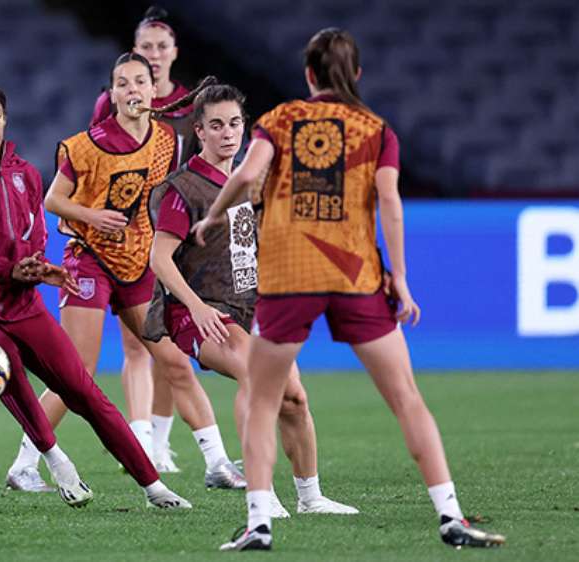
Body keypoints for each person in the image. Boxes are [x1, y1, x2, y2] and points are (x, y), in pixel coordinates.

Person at [194, 30, 506, 551]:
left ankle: (259, 523)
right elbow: (390, 201)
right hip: (355, 276)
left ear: (309, 75)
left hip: (289, 276)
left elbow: (248, 176)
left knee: (264, 400)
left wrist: (212, 214)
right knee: (407, 399)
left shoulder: (281, 119)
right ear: (356, 75)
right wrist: (400, 276)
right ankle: (451, 516)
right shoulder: (377, 130)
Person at [0, 80, 190, 510]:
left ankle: (154, 486)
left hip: (19, 301)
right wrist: (13, 270)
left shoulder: (26, 174)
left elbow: (35, 238)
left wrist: (38, 268)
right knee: (4, 360)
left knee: (84, 391)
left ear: (5, 119)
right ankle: (55, 459)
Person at [5, 55, 245, 492]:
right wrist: (90, 216)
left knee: (174, 362)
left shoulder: (168, 141)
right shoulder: (85, 145)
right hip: (90, 259)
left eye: (141, 81)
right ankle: (24, 464)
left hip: (137, 263)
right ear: (111, 93)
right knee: (76, 371)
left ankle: (217, 462)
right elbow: (53, 201)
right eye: (123, 82)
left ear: (154, 90)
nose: (133, 88)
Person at [145, 83, 360, 519]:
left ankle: (311, 497)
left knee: (294, 399)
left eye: (236, 124)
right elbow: (159, 259)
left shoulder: (250, 180)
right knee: (263, 384)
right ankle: (262, 498)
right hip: (203, 313)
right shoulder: (183, 189)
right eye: (217, 125)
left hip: (252, 309)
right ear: (199, 131)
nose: (229, 133)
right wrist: (196, 308)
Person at [90, 6, 197, 473]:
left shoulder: (194, 107)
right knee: (138, 344)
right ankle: (142, 444)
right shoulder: (107, 102)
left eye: (160, 46)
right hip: (127, 238)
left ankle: (161, 439)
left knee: (172, 342)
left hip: (174, 236)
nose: (153, 54)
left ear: (174, 53)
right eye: (145, 47)